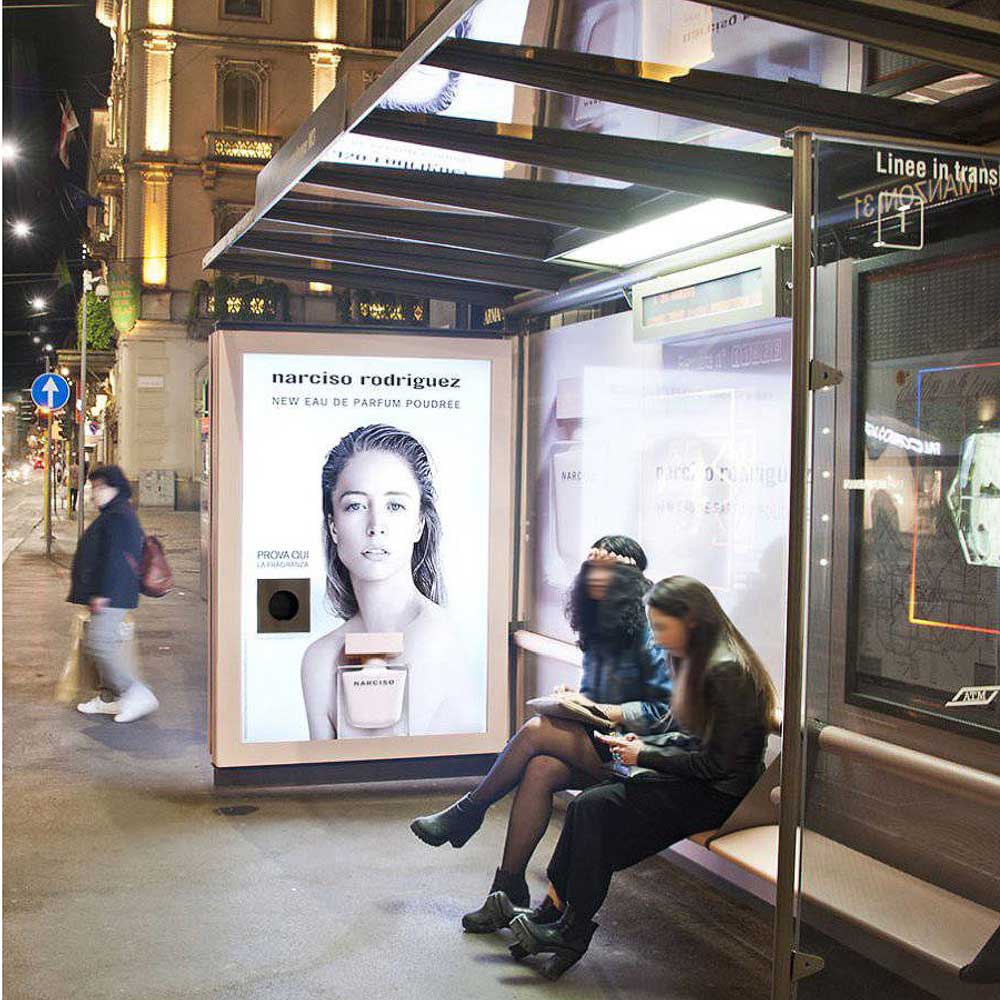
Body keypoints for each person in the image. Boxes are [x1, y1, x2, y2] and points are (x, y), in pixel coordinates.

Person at [491, 575, 778, 979]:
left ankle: (566, 926)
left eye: (661, 627)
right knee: (587, 810)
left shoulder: (726, 670)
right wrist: (645, 743)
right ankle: (557, 918)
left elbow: (718, 765)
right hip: (701, 784)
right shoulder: (703, 659)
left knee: (594, 810)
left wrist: (646, 754)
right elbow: (691, 734)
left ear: (691, 620)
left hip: (720, 796)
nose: (657, 639)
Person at [409, 535, 672, 932]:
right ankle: (507, 890)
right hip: (602, 746)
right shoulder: (602, 627)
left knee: (535, 731)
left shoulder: (651, 634)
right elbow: (601, 697)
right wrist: (578, 698)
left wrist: (610, 710)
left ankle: (468, 812)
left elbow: (662, 712)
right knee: (541, 769)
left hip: (638, 758)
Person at [301, 424, 472, 739]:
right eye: (356, 505)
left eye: (395, 506)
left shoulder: (431, 637)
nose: (375, 526)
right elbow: (325, 780)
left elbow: (376, 767)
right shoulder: (319, 658)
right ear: (334, 526)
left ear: (419, 524)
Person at [69, 464, 159, 723]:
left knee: (100, 644)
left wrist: (102, 594)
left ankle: (136, 693)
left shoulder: (120, 516)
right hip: (108, 593)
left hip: (113, 594)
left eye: (100, 487)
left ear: (115, 488)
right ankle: (109, 699)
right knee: (98, 644)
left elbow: (117, 560)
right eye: (93, 487)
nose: (94, 493)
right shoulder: (114, 513)